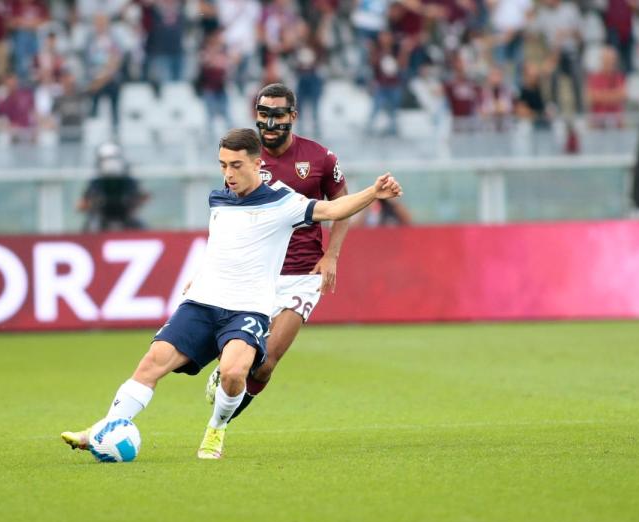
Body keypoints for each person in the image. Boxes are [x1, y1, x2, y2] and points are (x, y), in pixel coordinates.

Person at [61, 128, 403, 460]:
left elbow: (332, 211)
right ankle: (103, 429)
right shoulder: (219, 198)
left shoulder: (285, 203)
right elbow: (224, 245)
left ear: (257, 165)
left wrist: (373, 192)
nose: (228, 173)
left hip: (246, 310)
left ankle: (216, 428)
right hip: (202, 303)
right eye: (223, 165)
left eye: (236, 165)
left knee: (233, 373)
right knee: (150, 363)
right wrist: (200, 275)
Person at [203, 83, 352, 429]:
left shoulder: (320, 158)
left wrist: (331, 255)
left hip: (301, 274)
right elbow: (231, 219)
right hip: (257, 273)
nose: (270, 122)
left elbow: (342, 205)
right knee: (244, 358)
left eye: (278, 115)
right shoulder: (246, 161)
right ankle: (229, 376)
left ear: (292, 117)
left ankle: (217, 426)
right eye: (263, 114)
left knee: (267, 363)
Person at [78, 142, 148, 232]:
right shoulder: (96, 181)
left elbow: (142, 197)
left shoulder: (128, 180)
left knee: (142, 227)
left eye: (113, 158)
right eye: (105, 159)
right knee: (91, 226)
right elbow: (82, 204)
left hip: (125, 217)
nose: (110, 163)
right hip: (102, 218)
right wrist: (93, 203)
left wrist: (134, 201)